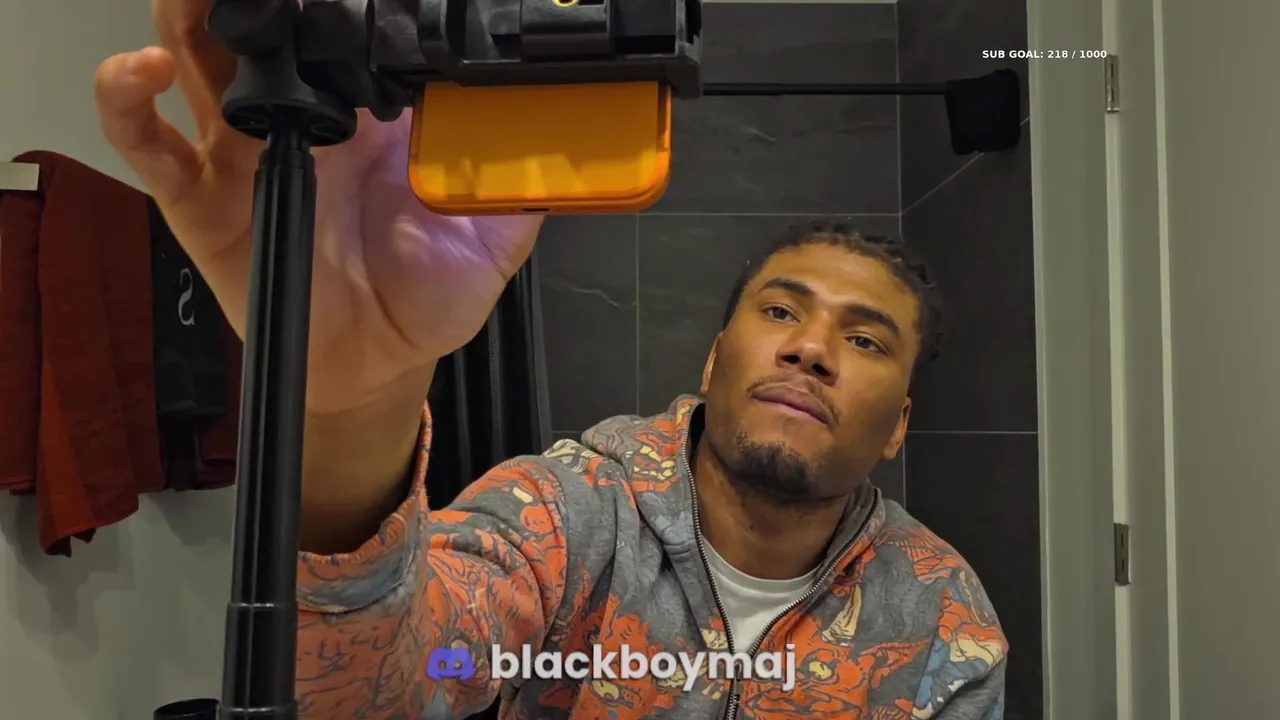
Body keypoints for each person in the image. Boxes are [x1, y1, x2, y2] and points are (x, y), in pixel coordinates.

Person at [94, 1, 1007, 717]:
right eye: (781, 311)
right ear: (714, 359)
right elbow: (387, 691)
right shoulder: (567, 515)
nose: (810, 349)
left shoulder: (943, 618)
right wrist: (346, 406)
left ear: (900, 426)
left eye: (864, 340)